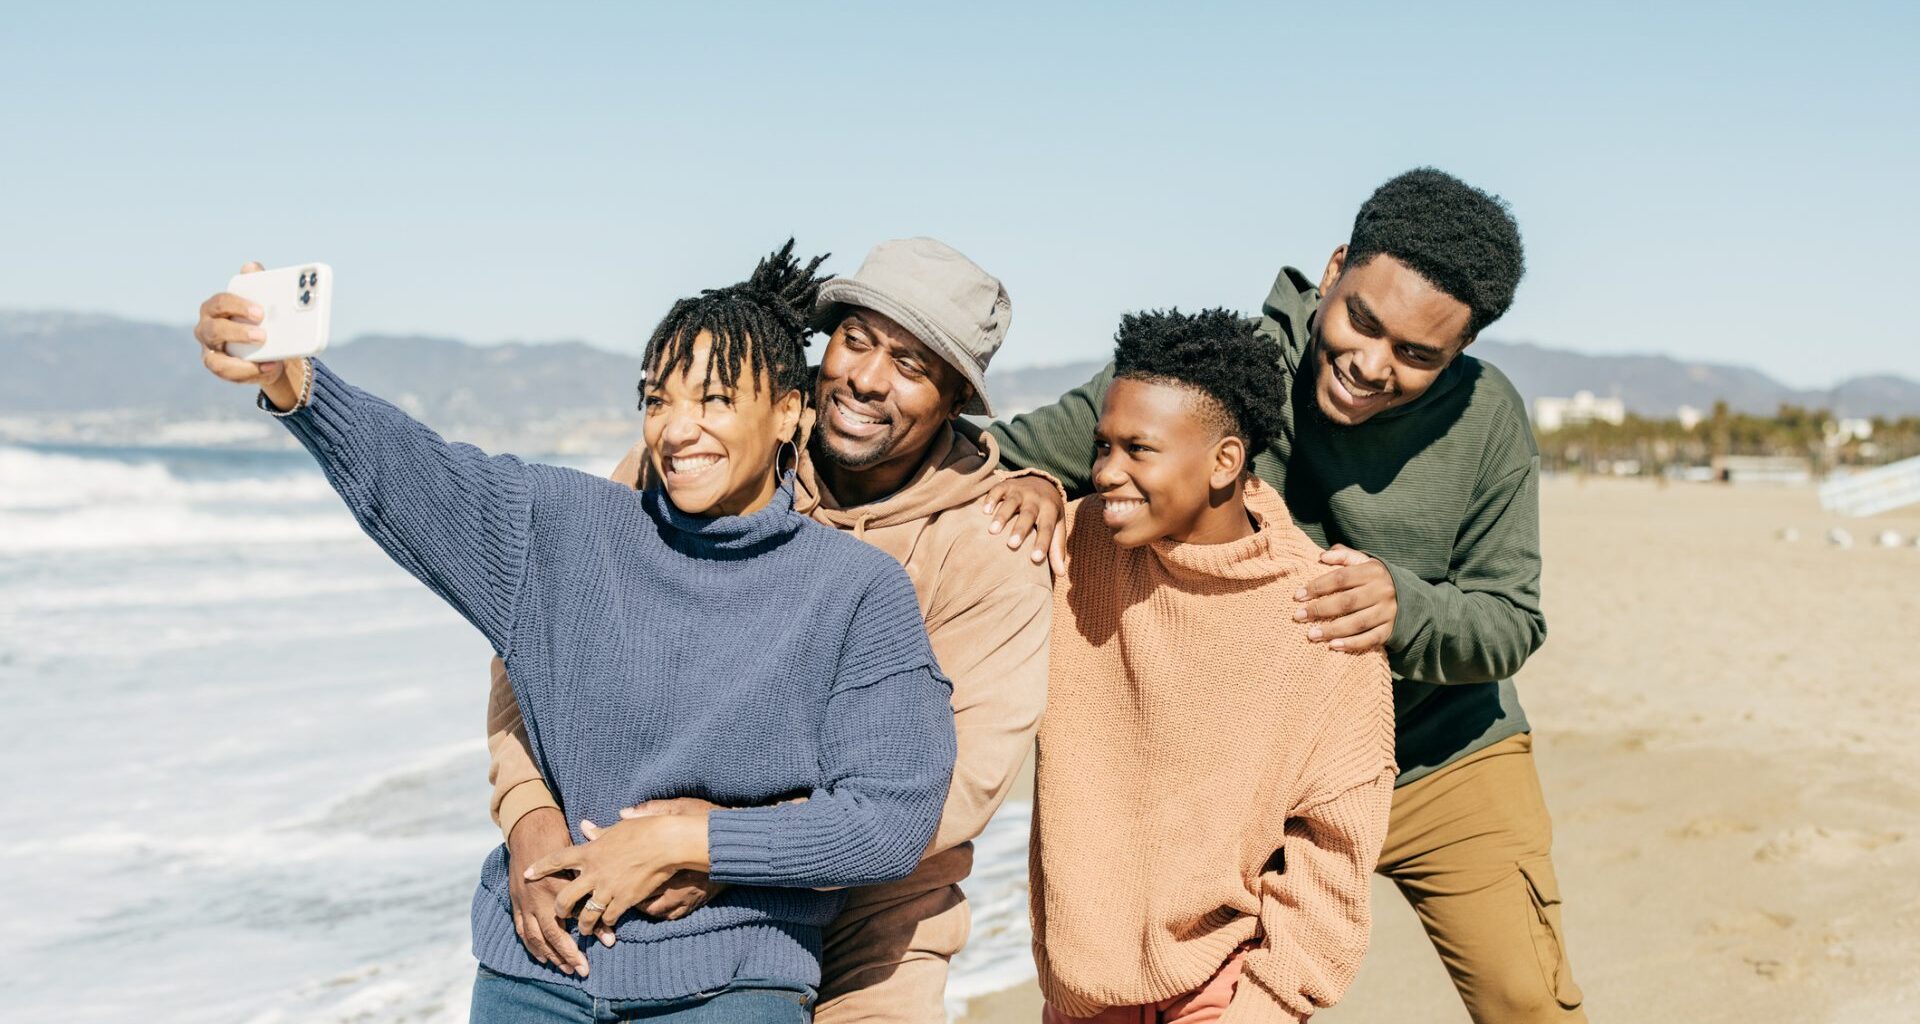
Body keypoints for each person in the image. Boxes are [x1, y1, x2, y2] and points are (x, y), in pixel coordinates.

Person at [191, 243, 958, 1024]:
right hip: (533, 973)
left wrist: (693, 841)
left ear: (789, 412)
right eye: (657, 400)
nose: (678, 429)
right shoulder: (562, 526)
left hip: (728, 984)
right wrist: (296, 384)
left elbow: (889, 823)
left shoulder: (856, 592)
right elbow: (412, 471)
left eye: (715, 400)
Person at [985, 169, 1587, 1022]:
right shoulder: (1224, 371)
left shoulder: (1488, 418)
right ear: (1335, 270)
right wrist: (1038, 481)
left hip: (1440, 757)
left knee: (1526, 1000)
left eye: (1417, 356)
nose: (1371, 365)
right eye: (1362, 322)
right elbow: (1021, 451)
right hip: (1243, 774)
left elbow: (1512, 619)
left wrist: (1406, 608)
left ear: (1459, 352)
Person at [486, 237, 1054, 1023]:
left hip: (875, 923)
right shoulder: (697, 460)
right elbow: (543, 645)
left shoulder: (992, 548)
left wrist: (722, 845)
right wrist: (527, 813)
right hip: (651, 886)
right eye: (856, 340)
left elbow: (954, 789)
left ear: (956, 398)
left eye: (911, 366)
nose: (868, 378)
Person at [1033, 308, 1395, 1024]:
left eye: (1138, 450)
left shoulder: (1321, 611)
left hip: (1226, 991)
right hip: (1080, 994)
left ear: (1225, 462)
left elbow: (1334, 855)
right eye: (1102, 446)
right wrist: (1030, 481)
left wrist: (1262, 1007)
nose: (1104, 472)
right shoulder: (1070, 547)